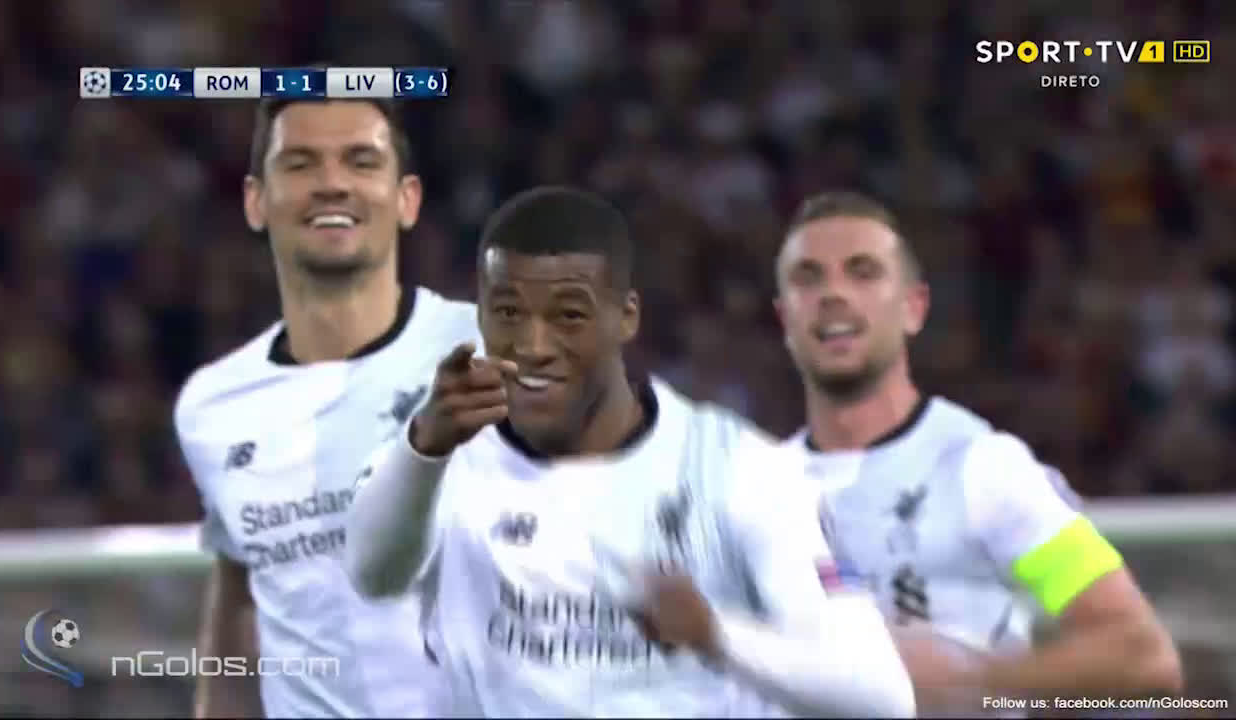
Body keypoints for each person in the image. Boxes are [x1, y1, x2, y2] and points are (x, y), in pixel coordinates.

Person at [345, 186, 916, 718]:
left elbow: (881, 697)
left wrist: (715, 634)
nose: (533, 346)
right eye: (508, 312)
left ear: (626, 316)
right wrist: (424, 451)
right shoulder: (437, 451)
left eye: (569, 315)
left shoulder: (736, 467)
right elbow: (372, 576)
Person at [772, 191, 1183, 713]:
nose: (833, 293)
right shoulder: (755, 491)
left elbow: (1144, 658)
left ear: (914, 308)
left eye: (863, 272)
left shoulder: (983, 468)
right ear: (784, 319)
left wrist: (972, 680)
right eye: (809, 277)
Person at [174, 97, 476, 718]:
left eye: (361, 162)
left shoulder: (490, 351)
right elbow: (243, 604)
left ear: (407, 199)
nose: (332, 183)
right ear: (256, 201)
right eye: (300, 164)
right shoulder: (212, 405)